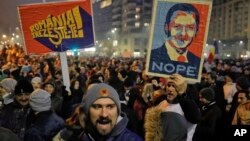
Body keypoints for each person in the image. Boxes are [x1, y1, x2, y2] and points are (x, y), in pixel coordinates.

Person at [149, 3, 201, 79]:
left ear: (196, 31)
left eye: (190, 27)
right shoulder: (152, 57)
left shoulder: (197, 62)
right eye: (177, 26)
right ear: (166, 28)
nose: (183, 33)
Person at [144, 74, 201, 141]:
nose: (170, 89)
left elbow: (196, 119)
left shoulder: (188, 106)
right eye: (168, 85)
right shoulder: (162, 103)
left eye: (174, 86)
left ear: (180, 88)